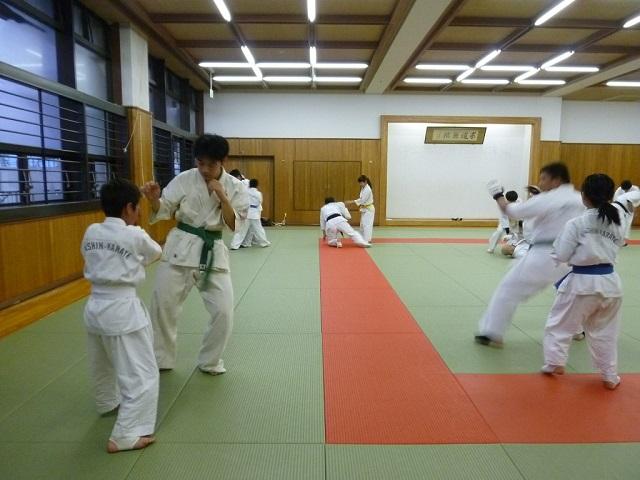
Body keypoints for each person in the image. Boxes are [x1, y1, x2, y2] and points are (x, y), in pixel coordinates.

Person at [141, 134, 249, 374]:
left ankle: (210, 361)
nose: (205, 169)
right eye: (201, 163)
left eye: (211, 164)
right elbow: (164, 209)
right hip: (179, 248)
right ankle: (162, 358)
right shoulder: (185, 179)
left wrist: (222, 196)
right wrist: (154, 200)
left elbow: (235, 225)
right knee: (162, 306)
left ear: (223, 161)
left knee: (223, 311)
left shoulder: (236, 187)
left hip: (213, 251)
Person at [81, 178, 162, 453]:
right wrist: (135, 257)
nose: (138, 213)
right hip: (121, 310)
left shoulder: (91, 231)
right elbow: (156, 252)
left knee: (102, 363)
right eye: (137, 208)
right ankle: (125, 435)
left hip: (94, 307)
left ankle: (107, 402)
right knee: (142, 373)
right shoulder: (135, 235)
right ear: (129, 208)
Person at [476, 163, 584, 347]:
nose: (540, 183)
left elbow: (512, 211)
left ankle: (492, 333)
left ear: (556, 180)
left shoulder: (548, 199)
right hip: (571, 257)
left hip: (544, 256)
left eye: (544, 179)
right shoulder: (578, 199)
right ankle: (576, 329)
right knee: (568, 295)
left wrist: (497, 194)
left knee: (507, 291)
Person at [542, 174, 629, 390]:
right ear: (610, 196)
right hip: (611, 283)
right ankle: (610, 376)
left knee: (559, 325)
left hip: (581, 283)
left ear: (584, 196)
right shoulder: (618, 221)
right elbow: (619, 243)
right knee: (606, 333)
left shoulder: (577, 223)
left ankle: (555, 362)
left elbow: (561, 254)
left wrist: (561, 256)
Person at [240, 178, 271, 248]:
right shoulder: (258, 193)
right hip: (254, 213)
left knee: (243, 230)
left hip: (246, 212)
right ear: (257, 185)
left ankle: (237, 244)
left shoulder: (245, 192)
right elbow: (260, 201)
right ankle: (264, 242)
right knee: (259, 229)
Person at [345, 175, 375, 243]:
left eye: (361, 183)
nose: (360, 184)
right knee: (362, 224)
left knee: (367, 225)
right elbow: (361, 199)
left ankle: (367, 240)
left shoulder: (368, 189)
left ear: (365, 182)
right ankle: (362, 238)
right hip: (365, 209)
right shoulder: (363, 188)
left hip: (369, 209)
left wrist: (351, 202)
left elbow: (362, 200)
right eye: (360, 183)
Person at [228, 169, 252, 250]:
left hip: (246, 207)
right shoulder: (242, 183)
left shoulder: (244, 183)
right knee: (243, 227)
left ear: (238, 176)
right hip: (242, 208)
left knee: (248, 227)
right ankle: (235, 245)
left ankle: (246, 243)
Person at [613, 180, 639, 245]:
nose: (625, 191)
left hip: (630, 209)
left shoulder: (635, 190)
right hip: (619, 208)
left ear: (630, 187)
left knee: (627, 225)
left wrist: (633, 211)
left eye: (627, 190)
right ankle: (617, 239)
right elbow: (615, 201)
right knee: (620, 224)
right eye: (624, 189)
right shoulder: (619, 190)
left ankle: (623, 240)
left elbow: (635, 202)